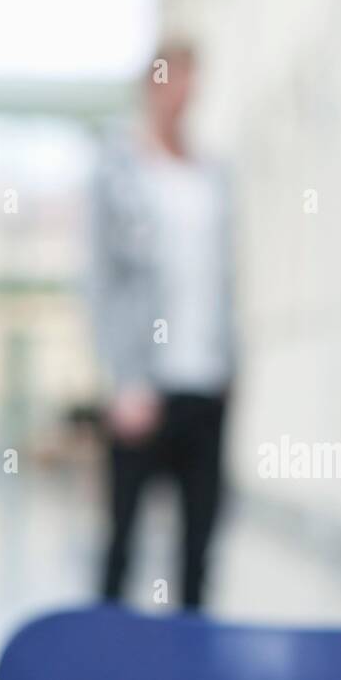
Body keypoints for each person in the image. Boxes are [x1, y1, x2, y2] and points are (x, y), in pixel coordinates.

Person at [89, 42, 235, 609]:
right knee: (121, 542)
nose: (184, 93)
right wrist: (123, 379)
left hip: (206, 380)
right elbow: (100, 280)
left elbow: (225, 278)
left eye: (192, 81)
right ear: (152, 86)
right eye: (173, 80)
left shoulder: (214, 175)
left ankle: (191, 675)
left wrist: (231, 365)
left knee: (199, 547)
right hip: (144, 386)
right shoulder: (118, 171)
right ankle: (104, 663)